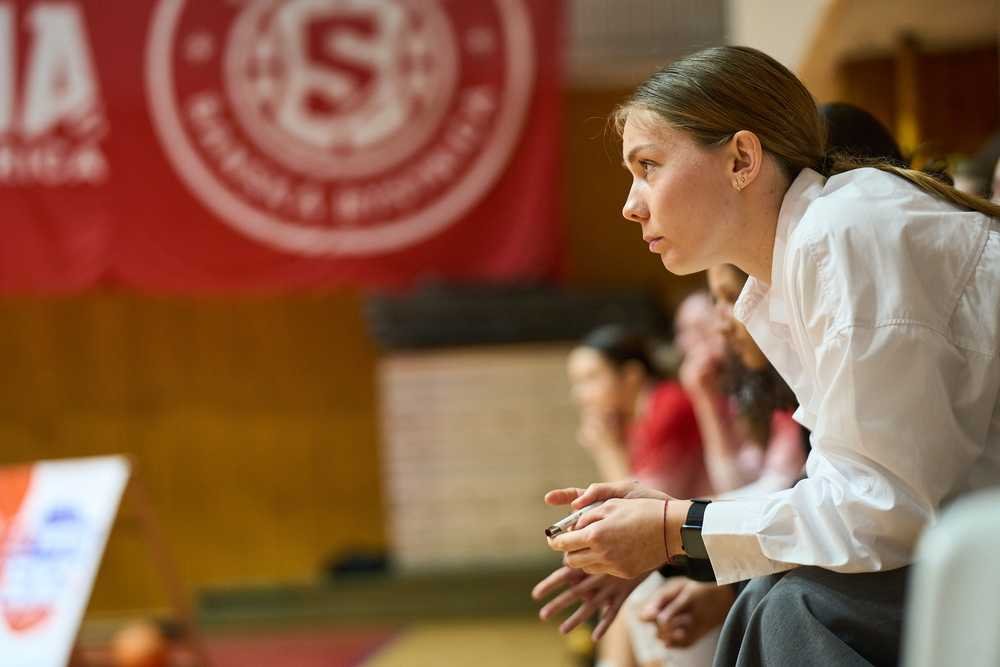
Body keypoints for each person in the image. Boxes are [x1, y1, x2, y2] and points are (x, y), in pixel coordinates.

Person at [540, 45, 1000, 666]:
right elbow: (854, 494)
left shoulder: (843, 232)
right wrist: (677, 525)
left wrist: (677, 528)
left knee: (795, 606)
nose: (630, 204)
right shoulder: (810, 252)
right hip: (973, 535)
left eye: (648, 166)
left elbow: (881, 510)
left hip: (978, 543)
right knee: (771, 596)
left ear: (741, 159)